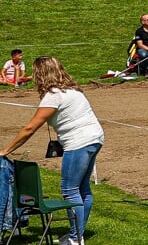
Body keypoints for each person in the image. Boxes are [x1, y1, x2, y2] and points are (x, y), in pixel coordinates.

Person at [1, 56, 105, 245]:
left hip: (78, 143)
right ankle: (78, 235)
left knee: (70, 190)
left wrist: (5, 150)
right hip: (95, 139)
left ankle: (75, 239)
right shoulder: (73, 91)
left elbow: (30, 129)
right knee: (83, 189)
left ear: (41, 74)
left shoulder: (54, 95)